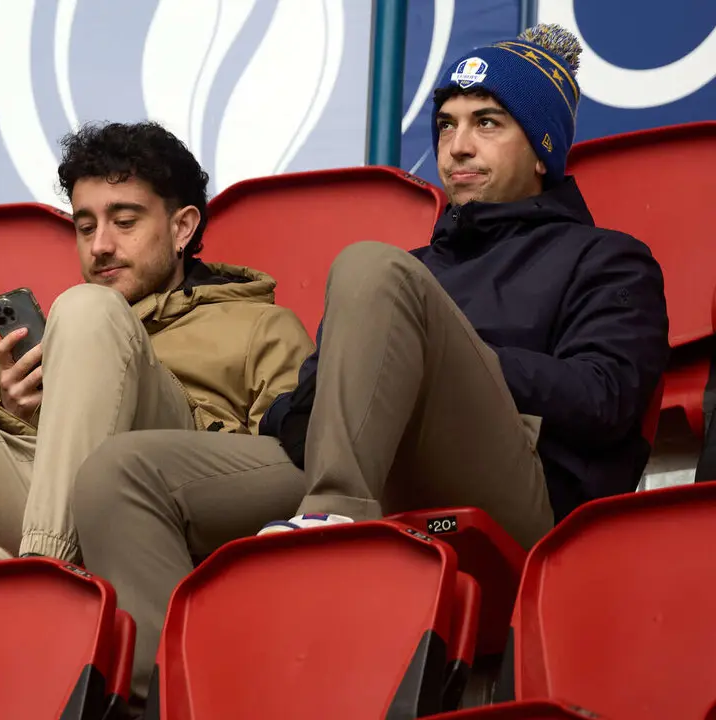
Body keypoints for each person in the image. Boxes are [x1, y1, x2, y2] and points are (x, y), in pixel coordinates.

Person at [70, 24, 669, 704]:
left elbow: (604, 399)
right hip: (368, 465)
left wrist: (445, 358)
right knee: (120, 473)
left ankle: (334, 535)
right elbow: (306, 404)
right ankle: (175, 699)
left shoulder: (608, 259)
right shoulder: (413, 270)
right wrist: (329, 396)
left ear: (542, 150)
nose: (457, 146)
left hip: (518, 491)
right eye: (445, 126)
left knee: (370, 266)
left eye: (487, 123)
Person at [0, 121, 314, 587]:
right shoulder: (62, 329)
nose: (100, 246)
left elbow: (287, 469)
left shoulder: (260, 324)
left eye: (124, 222)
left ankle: (49, 575)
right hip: (34, 502)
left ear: (182, 227)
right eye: (85, 227)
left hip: (161, 497)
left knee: (90, 309)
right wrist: (12, 411)